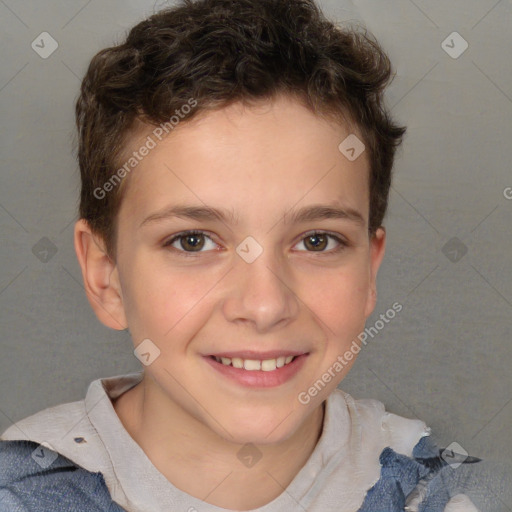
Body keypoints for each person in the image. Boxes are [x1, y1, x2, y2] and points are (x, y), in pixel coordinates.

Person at [0, 0, 499, 510]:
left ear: (369, 271)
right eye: (193, 241)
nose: (264, 306)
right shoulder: (19, 491)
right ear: (106, 277)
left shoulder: (447, 495)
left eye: (316, 240)